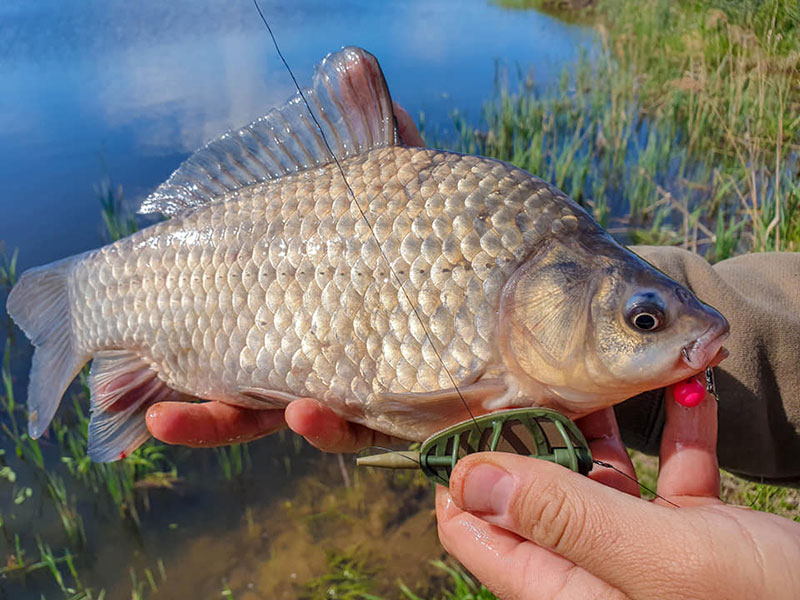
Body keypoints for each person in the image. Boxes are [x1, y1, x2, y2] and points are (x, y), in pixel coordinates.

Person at [141, 107, 800, 599]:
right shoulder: (541, 271)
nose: (684, 337)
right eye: (646, 320)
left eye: (644, 319)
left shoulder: (548, 267)